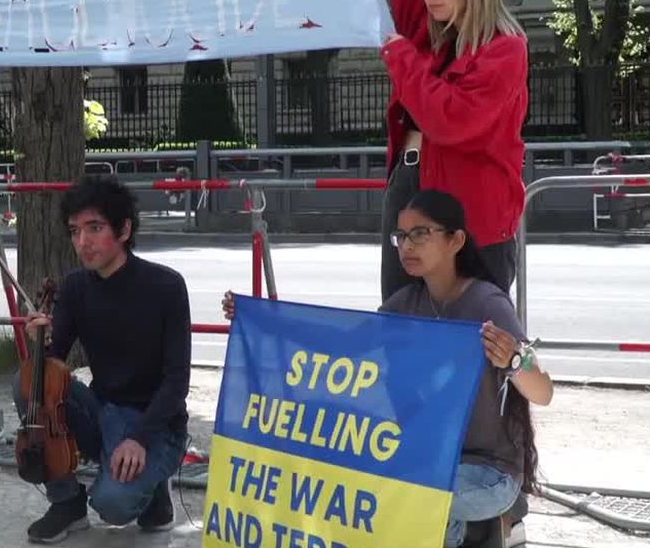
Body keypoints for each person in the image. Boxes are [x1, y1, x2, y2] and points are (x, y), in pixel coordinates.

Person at [224, 189, 552, 548]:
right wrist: (264, 320)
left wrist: (515, 361)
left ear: (455, 240)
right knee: (357, 492)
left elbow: (543, 392)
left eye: (420, 234)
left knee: (413, 502)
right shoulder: (406, 304)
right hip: (428, 462)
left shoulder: (487, 304)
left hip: (490, 472)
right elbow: (343, 340)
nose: (407, 246)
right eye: (401, 236)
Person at [373, 0, 529, 302]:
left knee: (473, 339)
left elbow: (450, 120)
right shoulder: (428, 29)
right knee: (403, 322)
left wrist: (402, 56)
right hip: (411, 190)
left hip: (472, 218)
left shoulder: (505, 50)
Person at [14, 176, 191, 544]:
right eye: (75, 231)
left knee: (113, 507)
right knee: (27, 381)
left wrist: (140, 439)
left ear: (124, 229)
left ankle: (155, 489)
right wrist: (41, 341)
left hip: (157, 423)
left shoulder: (166, 286)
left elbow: (177, 380)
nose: (83, 242)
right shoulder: (76, 286)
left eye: (95, 228)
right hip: (102, 408)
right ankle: (66, 502)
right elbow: (54, 361)